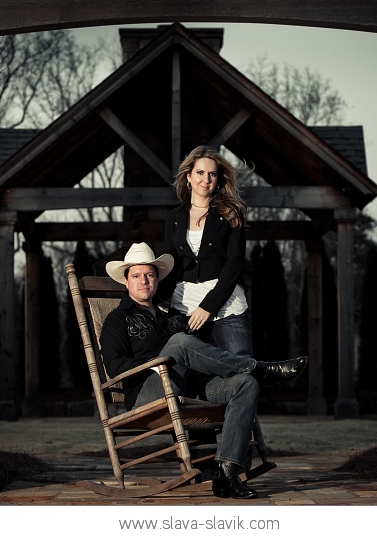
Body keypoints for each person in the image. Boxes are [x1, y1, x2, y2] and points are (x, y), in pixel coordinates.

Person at [100, 242, 307, 499]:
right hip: (147, 397)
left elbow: (200, 350)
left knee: (245, 385)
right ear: (126, 280)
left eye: (150, 274)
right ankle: (259, 368)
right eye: (137, 275)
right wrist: (158, 363)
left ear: (156, 279)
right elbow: (114, 366)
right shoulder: (117, 320)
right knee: (179, 342)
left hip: (186, 388)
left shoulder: (171, 317)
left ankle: (226, 473)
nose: (144, 280)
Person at [159, 145, 252, 356]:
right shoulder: (174, 217)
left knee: (242, 372)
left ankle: (260, 370)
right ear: (189, 177)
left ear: (218, 179)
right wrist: (148, 298)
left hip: (226, 304)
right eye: (200, 172)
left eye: (212, 174)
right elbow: (170, 262)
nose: (206, 179)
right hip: (185, 306)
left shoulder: (231, 213)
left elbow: (234, 263)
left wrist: (208, 306)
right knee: (179, 373)